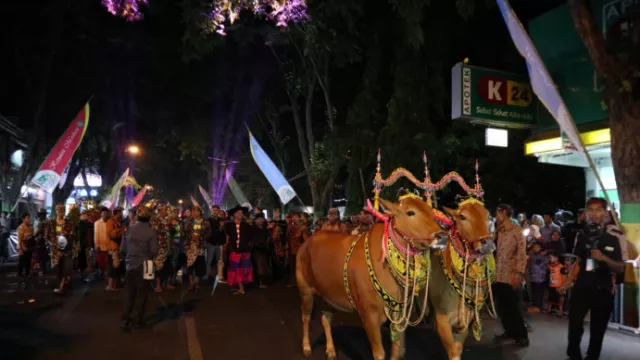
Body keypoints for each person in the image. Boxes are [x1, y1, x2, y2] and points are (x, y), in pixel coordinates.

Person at [561, 197, 626, 360]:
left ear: (605, 212)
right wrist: (568, 280)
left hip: (603, 288)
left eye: (598, 210)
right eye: (590, 210)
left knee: (598, 329)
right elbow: (579, 261)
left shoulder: (616, 234)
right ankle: (573, 354)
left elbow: (620, 267)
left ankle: (592, 356)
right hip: (582, 285)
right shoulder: (582, 233)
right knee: (574, 324)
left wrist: (603, 257)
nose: (594, 213)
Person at [493, 204, 529, 347]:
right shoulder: (498, 231)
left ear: (504, 213)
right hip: (498, 274)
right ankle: (509, 331)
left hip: (511, 274)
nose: (496, 216)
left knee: (513, 307)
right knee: (502, 307)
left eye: (497, 213)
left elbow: (522, 255)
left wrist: (519, 274)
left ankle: (522, 335)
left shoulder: (517, 231)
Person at [120, 206, 158, 331]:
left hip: (130, 264)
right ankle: (138, 320)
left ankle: (126, 320)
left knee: (130, 294)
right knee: (143, 294)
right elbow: (154, 251)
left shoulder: (129, 230)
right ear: (149, 218)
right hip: (146, 265)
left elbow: (123, 249)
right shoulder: (151, 232)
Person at [225, 206, 253, 295]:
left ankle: (241, 288)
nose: (240, 214)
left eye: (241, 213)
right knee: (235, 269)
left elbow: (251, 238)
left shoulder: (247, 225)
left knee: (244, 268)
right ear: (234, 214)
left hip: (245, 251)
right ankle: (240, 287)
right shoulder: (229, 225)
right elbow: (227, 238)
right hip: (234, 250)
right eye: (238, 212)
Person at [185, 206, 210, 291]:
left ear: (200, 212)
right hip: (191, 246)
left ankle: (197, 282)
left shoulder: (205, 222)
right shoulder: (189, 221)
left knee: (199, 264)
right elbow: (184, 231)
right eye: (193, 211)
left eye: (196, 211)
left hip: (200, 246)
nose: (194, 213)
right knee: (190, 264)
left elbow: (209, 233)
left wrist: (200, 237)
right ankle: (191, 283)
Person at [207, 205, 226, 283]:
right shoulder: (208, 220)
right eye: (213, 210)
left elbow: (224, 232)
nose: (215, 211)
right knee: (209, 260)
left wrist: (224, 242)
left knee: (220, 261)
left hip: (220, 243)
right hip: (211, 243)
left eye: (216, 210)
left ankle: (220, 276)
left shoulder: (221, 220)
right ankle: (207, 276)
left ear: (219, 211)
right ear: (211, 211)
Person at [252, 213, 271, 288]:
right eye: (259, 219)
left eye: (262, 219)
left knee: (263, 266)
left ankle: (261, 281)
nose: (261, 220)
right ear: (256, 220)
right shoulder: (252, 228)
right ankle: (259, 282)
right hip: (256, 249)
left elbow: (267, 238)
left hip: (264, 249)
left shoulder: (265, 229)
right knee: (258, 266)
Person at [527, 241, 547, 313]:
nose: (535, 248)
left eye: (537, 247)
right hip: (533, 278)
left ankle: (539, 307)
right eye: (534, 247)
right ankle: (534, 306)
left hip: (541, 278)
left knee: (539, 293)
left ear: (540, 248)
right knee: (534, 292)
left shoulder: (544, 256)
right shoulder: (532, 256)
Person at [17, 213, 35, 283]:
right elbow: (20, 239)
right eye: (27, 218)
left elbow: (32, 237)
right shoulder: (21, 227)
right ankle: (20, 275)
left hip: (29, 247)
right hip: (23, 246)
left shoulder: (31, 227)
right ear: (23, 219)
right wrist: (21, 249)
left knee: (28, 261)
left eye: (29, 218)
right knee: (21, 262)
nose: (29, 219)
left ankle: (27, 274)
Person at [94, 208, 111, 280]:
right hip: (100, 246)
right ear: (101, 214)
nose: (105, 216)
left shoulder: (110, 222)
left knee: (108, 261)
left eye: (107, 214)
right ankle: (102, 273)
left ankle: (106, 274)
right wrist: (97, 245)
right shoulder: (97, 223)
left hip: (109, 246)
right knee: (101, 261)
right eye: (104, 214)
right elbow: (96, 234)